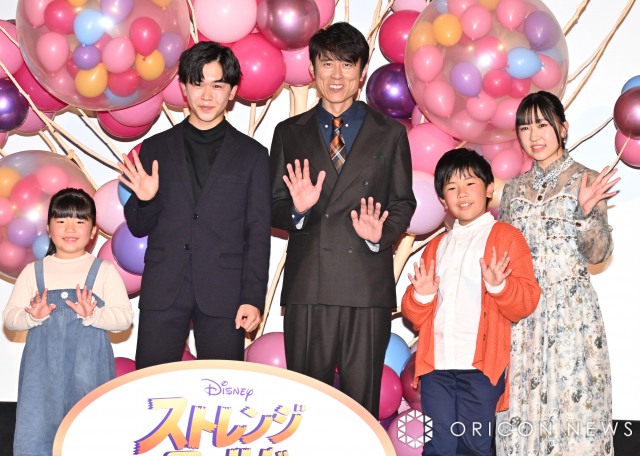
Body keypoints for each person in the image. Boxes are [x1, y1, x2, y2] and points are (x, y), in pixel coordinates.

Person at [270, 22, 416, 418]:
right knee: (306, 405)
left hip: (365, 285)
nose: (337, 75)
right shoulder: (289, 132)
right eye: (327, 63)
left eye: (347, 65)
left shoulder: (389, 133)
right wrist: (298, 210)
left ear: (363, 72)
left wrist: (380, 234)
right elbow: (273, 205)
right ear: (312, 69)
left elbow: (403, 202)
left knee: (360, 406)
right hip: (309, 285)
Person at [118, 42, 271, 369]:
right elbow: (139, 226)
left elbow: (258, 234)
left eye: (217, 86)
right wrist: (146, 199)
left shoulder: (253, 156)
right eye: (198, 83)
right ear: (184, 87)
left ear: (232, 92)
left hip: (224, 291)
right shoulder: (155, 148)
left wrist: (253, 298)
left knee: (223, 386)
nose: (206, 95)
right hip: (164, 287)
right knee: (152, 386)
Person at [496, 91, 620, 455]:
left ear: (562, 128)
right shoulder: (513, 190)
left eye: (542, 125)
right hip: (525, 316)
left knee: (574, 401)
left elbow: (599, 253)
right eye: (525, 128)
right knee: (523, 409)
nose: (534, 135)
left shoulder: (586, 179)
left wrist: (585, 214)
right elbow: (504, 253)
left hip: (571, 314)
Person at [401, 148, 540, 455]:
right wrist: (422, 295)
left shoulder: (507, 237)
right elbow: (414, 315)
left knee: (473, 445)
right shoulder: (436, 246)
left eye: (470, 184)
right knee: (438, 446)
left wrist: (499, 286)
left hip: (480, 369)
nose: (461, 194)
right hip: (437, 367)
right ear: (442, 200)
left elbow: (526, 302)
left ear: (489, 189)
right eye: (451, 187)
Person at [3, 188, 133, 456]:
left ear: (93, 230)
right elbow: (10, 318)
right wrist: (32, 316)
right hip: (41, 375)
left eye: (80, 221)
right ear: (48, 229)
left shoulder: (103, 271)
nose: (70, 228)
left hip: (89, 372)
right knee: (36, 434)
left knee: (89, 433)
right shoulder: (34, 271)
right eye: (61, 220)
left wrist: (93, 315)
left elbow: (124, 318)